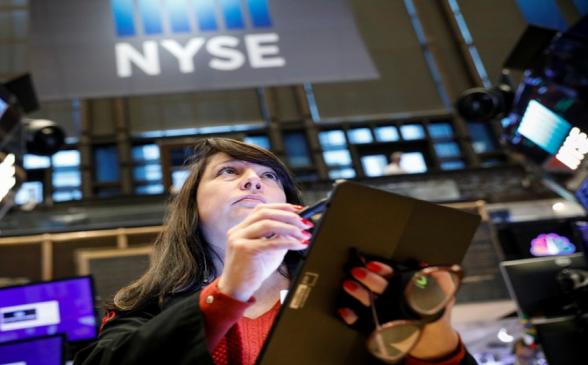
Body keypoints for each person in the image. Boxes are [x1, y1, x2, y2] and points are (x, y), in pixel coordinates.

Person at [74, 138, 476, 365]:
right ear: (192, 205)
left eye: (269, 176)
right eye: (229, 171)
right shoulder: (145, 305)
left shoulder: (356, 281)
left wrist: (435, 332)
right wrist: (230, 288)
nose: (253, 182)